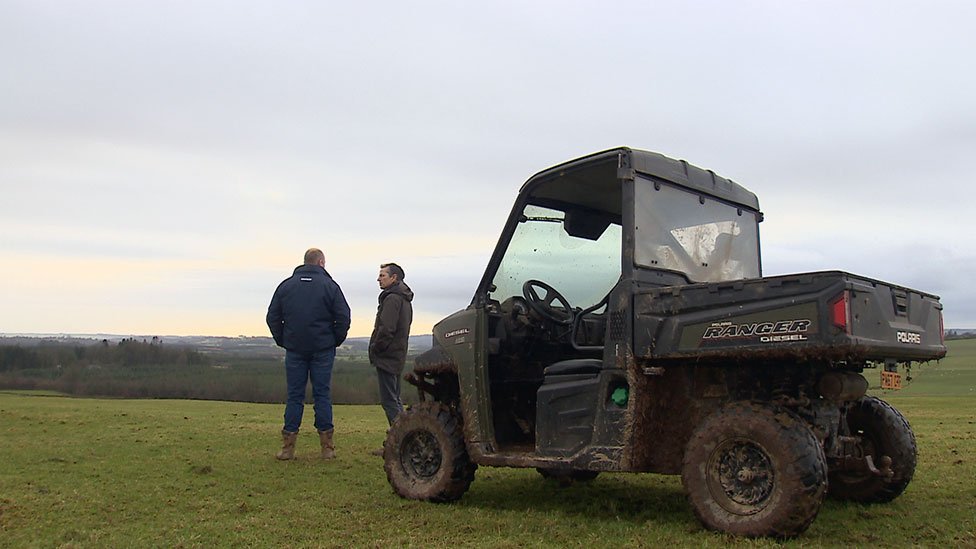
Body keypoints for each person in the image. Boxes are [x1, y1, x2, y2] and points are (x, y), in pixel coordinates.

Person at [266, 248, 351, 461]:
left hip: (295, 349)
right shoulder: (330, 286)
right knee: (322, 395)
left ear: (305, 262)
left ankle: (287, 448)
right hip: (323, 349)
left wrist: (284, 340)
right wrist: (333, 340)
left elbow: (272, 317)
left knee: (294, 396)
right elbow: (343, 317)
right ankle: (327, 448)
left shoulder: (286, 286)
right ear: (321, 262)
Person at [369, 262, 414, 434]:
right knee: (395, 398)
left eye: (382, 275)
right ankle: (405, 436)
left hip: (388, 355)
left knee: (389, 400)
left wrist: (376, 348)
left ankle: (400, 439)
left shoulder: (393, 299)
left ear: (394, 278)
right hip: (397, 353)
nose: (378, 279)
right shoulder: (403, 298)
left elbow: (387, 329)